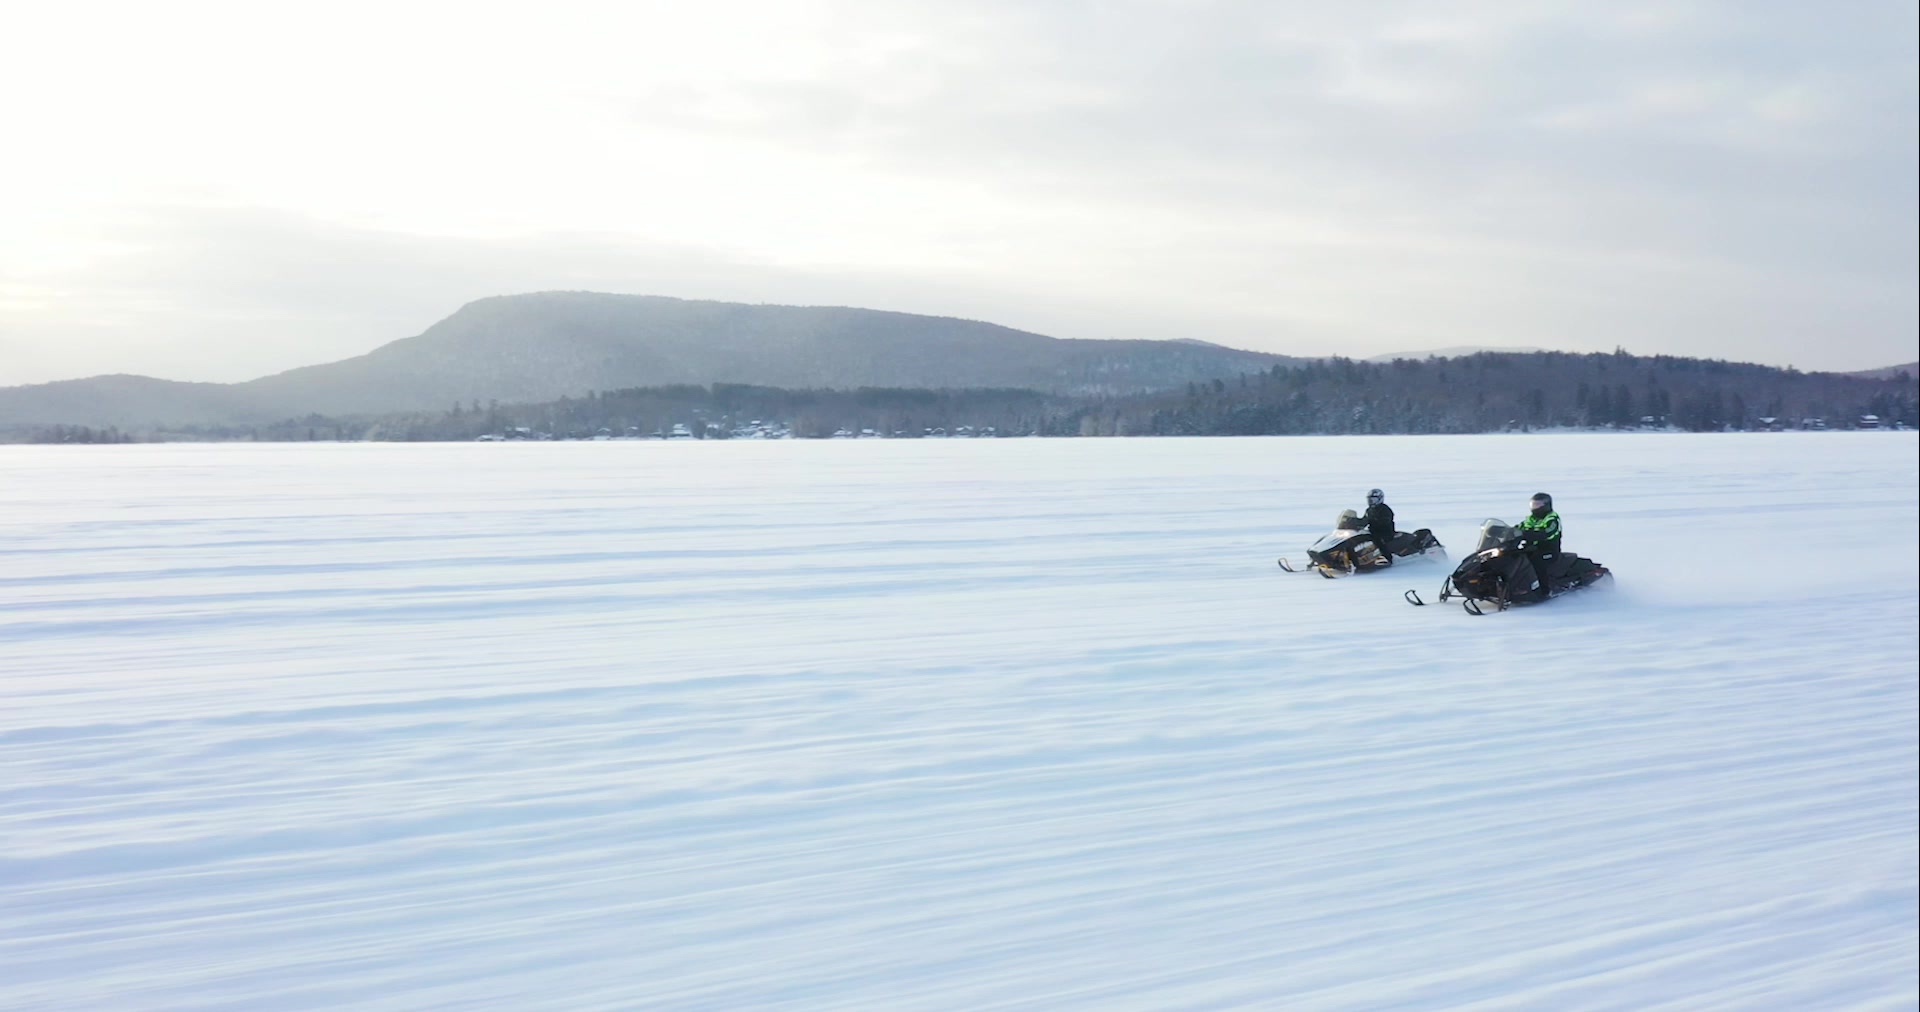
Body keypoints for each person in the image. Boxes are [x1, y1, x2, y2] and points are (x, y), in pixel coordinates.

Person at [1515, 492, 1566, 586]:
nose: (1535, 507)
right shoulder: (1531, 519)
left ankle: (1544, 589)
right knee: (1515, 558)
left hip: (1548, 550)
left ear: (1546, 505)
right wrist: (1504, 531)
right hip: (1531, 548)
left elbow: (1547, 532)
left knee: (1537, 562)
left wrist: (1526, 534)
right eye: (1533, 504)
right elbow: (1518, 527)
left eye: (1538, 505)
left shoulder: (1552, 519)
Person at [1357, 488, 1398, 566]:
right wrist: (1354, 521)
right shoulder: (1369, 510)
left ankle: (1386, 557)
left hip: (1385, 532)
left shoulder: (1385, 509)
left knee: (1378, 539)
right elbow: (1364, 519)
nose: (1371, 501)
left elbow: (1386, 520)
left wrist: (1375, 520)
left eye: (1373, 499)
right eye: (1369, 499)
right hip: (1373, 531)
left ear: (1380, 499)